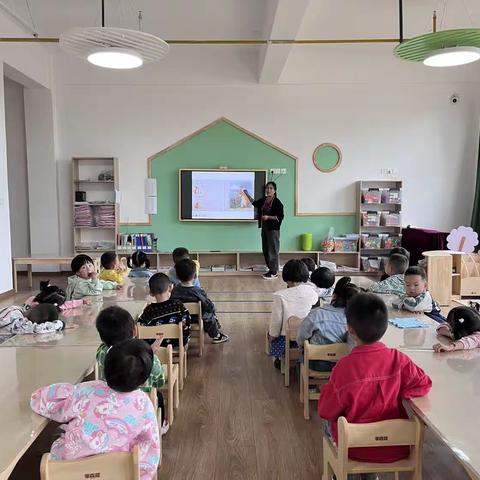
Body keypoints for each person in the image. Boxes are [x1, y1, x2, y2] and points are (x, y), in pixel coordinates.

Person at [317, 293, 432, 464]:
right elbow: (424, 384)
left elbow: (325, 410)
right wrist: (398, 391)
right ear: (385, 326)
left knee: (328, 424)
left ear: (350, 329)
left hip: (355, 448)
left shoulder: (344, 366)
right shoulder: (398, 359)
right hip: (396, 445)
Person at [31, 339, 161, 480]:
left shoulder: (86, 390)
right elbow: (150, 447)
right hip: (117, 472)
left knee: (56, 436)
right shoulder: (144, 405)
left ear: (106, 367)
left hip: (69, 472)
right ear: (144, 380)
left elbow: (40, 400)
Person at [95, 306, 168, 434]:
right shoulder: (145, 354)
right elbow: (160, 380)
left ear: (102, 337)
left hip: (109, 400)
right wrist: (150, 352)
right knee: (158, 396)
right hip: (142, 401)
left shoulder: (101, 352)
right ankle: (159, 427)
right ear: (134, 331)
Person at [297, 277, 360, 372]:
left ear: (334, 296)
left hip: (316, 362)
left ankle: (310, 386)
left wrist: (302, 346)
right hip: (343, 364)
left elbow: (302, 336)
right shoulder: (356, 319)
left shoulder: (317, 313)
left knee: (300, 360)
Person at [268, 259, 318, 368]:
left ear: (286, 278)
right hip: (306, 335)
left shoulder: (279, 296)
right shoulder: (312, 292)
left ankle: (282, 358)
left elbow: (276, 321)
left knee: (274, 337)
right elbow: (315, 303)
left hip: (286, 337)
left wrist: (272, 336)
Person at [171, 259, 229, 344]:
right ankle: (216, 335)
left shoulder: (174, 290)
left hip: (179, 319)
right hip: (196, 319)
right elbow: (208, 306)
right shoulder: (198, 291)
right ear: (195, 276)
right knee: (209, 313)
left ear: (177, 276)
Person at [243, 182, 284, 280]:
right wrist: (247, 194)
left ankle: (274, 272)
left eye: (270, 188)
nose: (268, 190)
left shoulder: (278, 202)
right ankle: (270, 270)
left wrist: (268, 217)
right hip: (265, 228)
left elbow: (280, 217)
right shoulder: (264, 200)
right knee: (266, 249)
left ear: (274, 191)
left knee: (273, 250)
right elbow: (255, 203)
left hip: (273, 230)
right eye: (267, 188)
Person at [138, 272, 191, 347]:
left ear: (151, 293)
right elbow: (187, 323)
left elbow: (141, 328)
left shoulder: (149, 311)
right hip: (177, 344)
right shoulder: (178, 306)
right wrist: (185, 341)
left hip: (156, 347)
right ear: (170, 288)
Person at [0, 303, 65, 335]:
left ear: (34, 306)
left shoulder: (14, 309)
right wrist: (61, 324)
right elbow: (38, 329)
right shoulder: (19, 323)